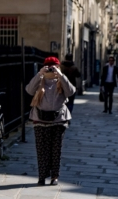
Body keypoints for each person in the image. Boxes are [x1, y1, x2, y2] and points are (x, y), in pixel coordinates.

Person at [26, 56, 75, 186]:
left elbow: (71, 92)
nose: (52, 69)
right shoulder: (40, 79)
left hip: (59, 120)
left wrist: (60, 75)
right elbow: (29, 90)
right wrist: (39, 74)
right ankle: (42, 176)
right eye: (50, 67)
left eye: (55, 66)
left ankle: (54, 176)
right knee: (42, 149)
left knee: (56, 150)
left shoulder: (61, 80)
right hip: (40, 119)